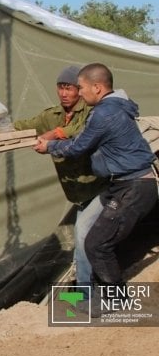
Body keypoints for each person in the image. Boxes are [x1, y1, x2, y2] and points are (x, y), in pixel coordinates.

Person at [35, 63, 157, 297]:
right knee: (87, 235)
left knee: (97, 244)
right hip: (122, 184)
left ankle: (115, 300)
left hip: (134, 187)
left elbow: (78, 146)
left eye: (80, 88)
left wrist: (50, 145)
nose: (78, 93)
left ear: (98, 88)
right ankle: (87, 293)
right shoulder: (115, 107)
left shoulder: (103, 113)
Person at [14, 65, 108, 290]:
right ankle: (83, 292)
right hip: (80, 194)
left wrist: (54, 136)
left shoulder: (92, 111)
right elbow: (24, 127)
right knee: (84, 242)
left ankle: (88, 295)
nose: (64, 93)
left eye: (70, 88)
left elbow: (80, 130)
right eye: (60, 88)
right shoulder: (51, 115)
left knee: (85, 237)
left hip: (101, 187)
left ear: (80, 90)